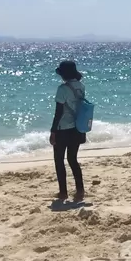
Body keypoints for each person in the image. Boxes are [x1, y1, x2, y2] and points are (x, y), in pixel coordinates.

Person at [51, 60, 87, 201]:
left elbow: (58, 112)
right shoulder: (81, 87)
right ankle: (80, 190)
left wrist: (53, 131)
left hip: (63, 129)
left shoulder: (62, 89)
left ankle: (63, 192)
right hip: (77, 128)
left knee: (59, 161)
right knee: (73, 159)